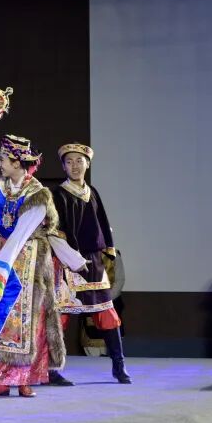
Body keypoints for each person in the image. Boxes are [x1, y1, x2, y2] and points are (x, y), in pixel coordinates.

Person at [0, 135, 86, 398]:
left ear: (17, 163)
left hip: (29, 257)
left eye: (3, 159)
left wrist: (0, 268)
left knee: (29, 318)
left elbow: (21, 234)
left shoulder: (37, 194)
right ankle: (2, 379)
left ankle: (25, 378)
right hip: (5, 251)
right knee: (2, 316)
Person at [51, 143, 131, 383]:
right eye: (69, 162)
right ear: (63, 166)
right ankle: (51, 370)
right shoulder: (58, 193)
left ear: (87, 164)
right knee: (60, 317)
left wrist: (107, 250)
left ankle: (119, 365)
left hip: (94, 262)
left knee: (107, 313)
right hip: (67, 261)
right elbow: (54, 229)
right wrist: (70, 257)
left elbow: (102, 222)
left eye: (79, 161)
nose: (75, 166)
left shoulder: (92, 191)